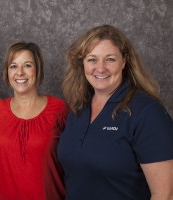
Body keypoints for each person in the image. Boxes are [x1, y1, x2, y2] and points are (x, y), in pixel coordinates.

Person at [57, 24, 173, 200]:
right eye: (92, 59)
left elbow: (164, 194)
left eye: (110, 59)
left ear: (124, 61)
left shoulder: (148, 113)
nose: (101, 68)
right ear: (83, 64)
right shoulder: (78, 106)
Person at [0, 41, 69, 200]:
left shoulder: (59, 110)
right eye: (13, 66)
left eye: (27, 65)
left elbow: (78, 154)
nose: (19, 72)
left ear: (38, 69)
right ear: (7, 72)